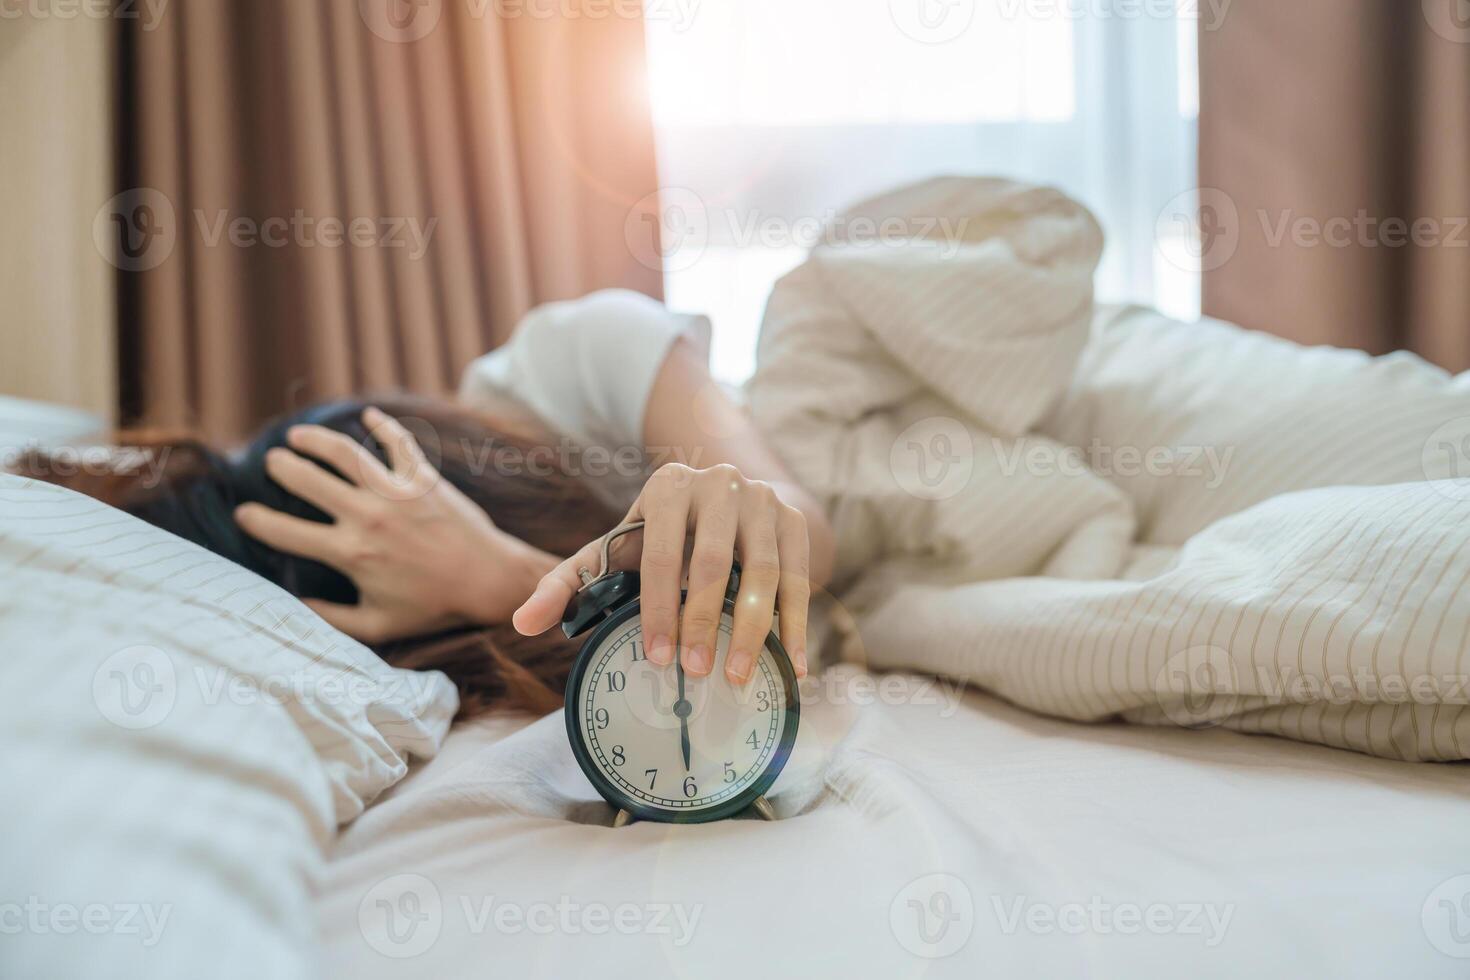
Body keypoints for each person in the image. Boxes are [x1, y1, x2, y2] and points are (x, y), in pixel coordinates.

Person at [19, 291, 834, 719]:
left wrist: (502, 571)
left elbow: (809, 546)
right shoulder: (399, 640)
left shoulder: (585, 354)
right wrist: (503, 582)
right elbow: (725, 665)